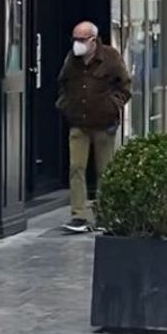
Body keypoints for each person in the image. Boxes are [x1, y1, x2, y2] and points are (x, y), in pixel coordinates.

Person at [56, 21, 132, 234]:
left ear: (93, 40)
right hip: (79, 122)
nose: (77, 44)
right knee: (76, 167)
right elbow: (63, 82)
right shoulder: (72, 60)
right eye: (75, 39)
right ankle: (78, 215)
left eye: (81, 39)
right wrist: (65, 105)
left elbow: (125, 85)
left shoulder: (110, 57)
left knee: (104, 170)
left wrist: (112, 106)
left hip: (104, 123)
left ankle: (106, 214)